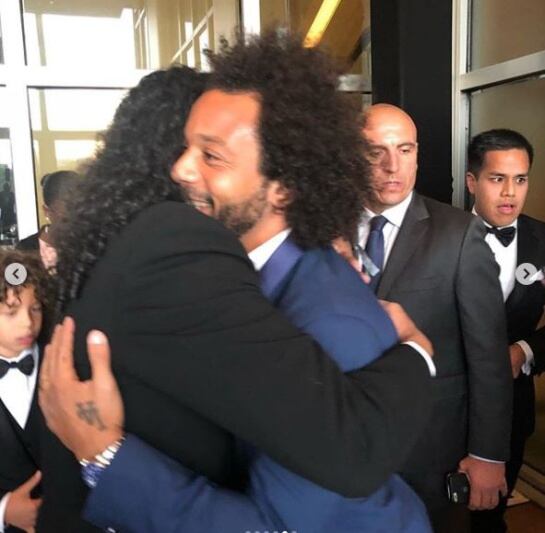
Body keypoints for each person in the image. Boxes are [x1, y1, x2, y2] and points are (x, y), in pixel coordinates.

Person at [40, 32, 434, 533]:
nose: (180, 169)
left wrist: (103, 457)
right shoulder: (217, 275)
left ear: (285, 186)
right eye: (186, 146)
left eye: (212, 156)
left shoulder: (331, 317)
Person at [353, 104, 512, 532]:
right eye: (376, 151)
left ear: (417, 155)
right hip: (347, 446)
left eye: (404, 150)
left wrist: (488, 454)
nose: (392, 166)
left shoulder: (458, 235)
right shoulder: (324, 228)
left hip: (431, 453)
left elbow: (489, 357)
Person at [466, 128, 545, 532]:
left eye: (521, 179)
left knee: (491, 519)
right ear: (472, 181)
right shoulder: (438, 236)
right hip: (449, 407)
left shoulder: (543, 239)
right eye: (497, 178)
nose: (510, 192)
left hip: (513, 408)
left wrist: (524, 351)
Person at [0, 250, 52, 532]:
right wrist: (4, 510)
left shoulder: (61, 361)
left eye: (36, 309)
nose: (28, 323)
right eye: (11, 312)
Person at [17, 170, 80, 270]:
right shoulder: (24, 251)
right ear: (47, 211)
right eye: (65, 219)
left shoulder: (93, 246)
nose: (76, 223)